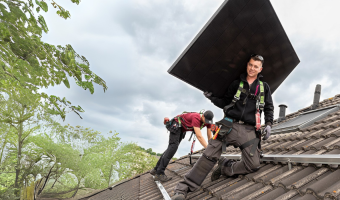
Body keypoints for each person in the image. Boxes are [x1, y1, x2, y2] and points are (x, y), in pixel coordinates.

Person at [171, 54, 274, 200]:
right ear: (247, 65)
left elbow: (269, 108)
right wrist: (212, 98)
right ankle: (183, 189)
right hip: (228, 125)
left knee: (253, 165)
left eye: (255, 66)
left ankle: (227, 167)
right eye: (250, 65)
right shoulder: (236, 84)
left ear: (260, 69)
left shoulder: (264, 88)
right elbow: (224, 102)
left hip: (249, 130)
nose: (252, 68)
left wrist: (269, 124)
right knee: (208, 155)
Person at [150, 110, 214, 182]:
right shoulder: (196, 118)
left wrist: (211, 146)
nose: (206, 123)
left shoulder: (208, 122)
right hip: (176, 125)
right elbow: (199, 136)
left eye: (208, 121)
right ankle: (159, 173)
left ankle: (156, 170)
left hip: (181, 129)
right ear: (203, 116)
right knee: (172, 147)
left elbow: (209, 136)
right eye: (206, 120)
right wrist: (208, 149)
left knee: (171, 148)